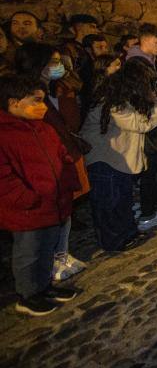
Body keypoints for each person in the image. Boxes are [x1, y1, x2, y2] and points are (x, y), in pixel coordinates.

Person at [0, 76, 80, 316]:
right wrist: (27, 199)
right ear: (14, 103)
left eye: (44, 101)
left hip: (53, 202)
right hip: (27, 208)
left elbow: (62, 156)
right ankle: (28, 295)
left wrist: (67, 182)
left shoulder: (44, 128)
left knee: (47, 248)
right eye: (36, 101)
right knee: (29, 253)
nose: (43, 106)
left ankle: (44, 286)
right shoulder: (5, 134)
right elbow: (4, 177)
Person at [14, 42, 90, 281]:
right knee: (49, 216)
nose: (59, 67)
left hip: (62, 155)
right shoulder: (26, 96)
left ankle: (61, 253)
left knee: (65, 210)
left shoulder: (55, 90)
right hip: (44, 163)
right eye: (54, 62)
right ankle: (49, 263)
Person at [81, 58, 157, 250]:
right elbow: (140, 124)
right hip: (105, 160)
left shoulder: (125, 99)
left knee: (123, 200)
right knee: (109, 204)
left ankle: (128, 233)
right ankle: (113, 242)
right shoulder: (112, 102)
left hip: (120, 160)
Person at [126, 23, 157, 235]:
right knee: (156, 174)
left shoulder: (150, 63)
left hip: (156, 124)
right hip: (151, 126)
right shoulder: (137, 65)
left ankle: (152, 213)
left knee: (155, 173)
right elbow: (149, 97)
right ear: (144, 40)